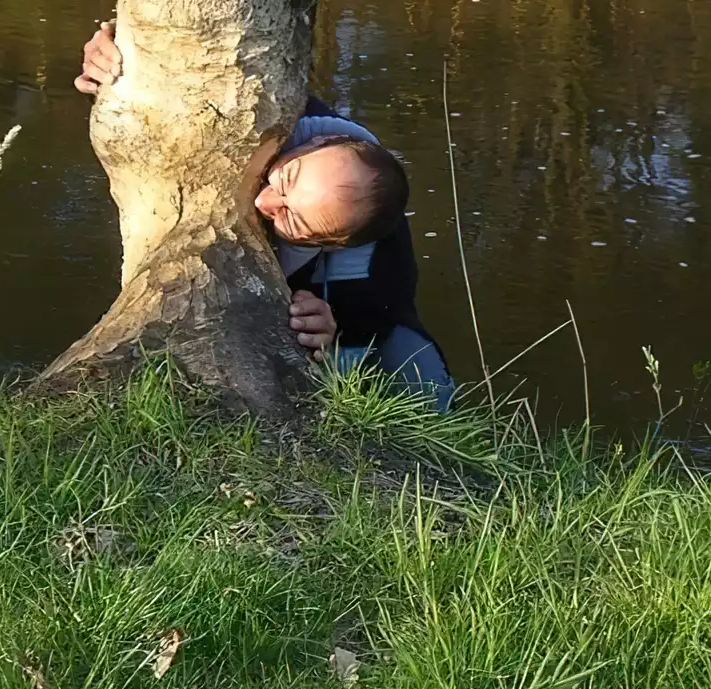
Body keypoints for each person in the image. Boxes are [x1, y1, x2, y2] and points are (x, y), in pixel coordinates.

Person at [76, 21, 455, 410]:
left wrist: (332, 335)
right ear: (318, 141)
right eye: (286, 178)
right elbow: (187, 70)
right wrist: (117, 60)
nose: (265, 204)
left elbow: (370, 323)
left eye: (294, 222)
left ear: (327, 243)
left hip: (345, 309)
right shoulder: (274, 108)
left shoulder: (372, 259)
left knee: (418, 374)